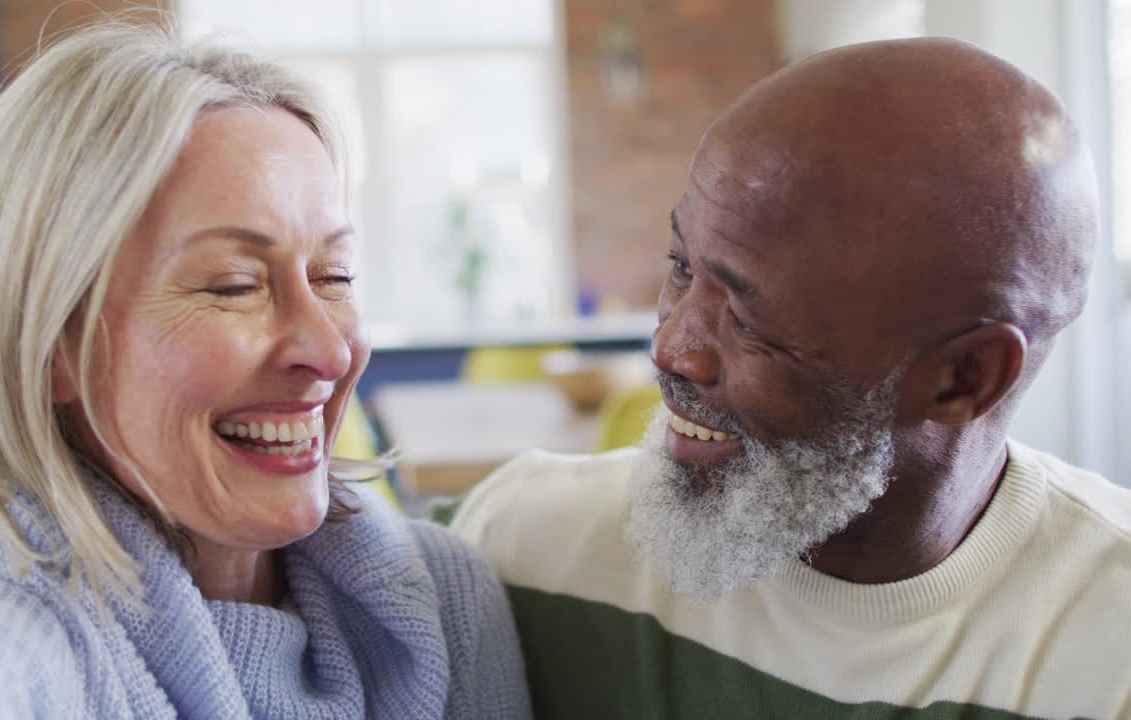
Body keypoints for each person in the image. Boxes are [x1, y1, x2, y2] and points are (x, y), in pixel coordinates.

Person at [0, 22, 530, 719]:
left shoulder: (445, 601)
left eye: (334, 275)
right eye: (234, 285)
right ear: (47, 345)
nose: (328, 350)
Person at [448, 37, 1131, 719]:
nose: (670, 347)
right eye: (682, 267)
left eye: (748, 316)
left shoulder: (1106, 655)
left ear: (963, 378)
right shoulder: (523, 550)